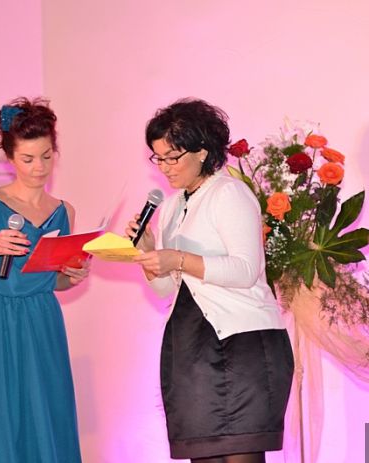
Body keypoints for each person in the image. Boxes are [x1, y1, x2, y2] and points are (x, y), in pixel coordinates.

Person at [125, 98, 294, 463]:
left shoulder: (229, 193)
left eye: (173, 157)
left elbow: (246, 270)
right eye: (158, 158)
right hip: (193, 352)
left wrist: (178, 258)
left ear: (202, 151)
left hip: (241, 345)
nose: (164, 167)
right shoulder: (171, 207)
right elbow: (167, 288)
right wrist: (148, 254)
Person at [0, 97, 90, 462]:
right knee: (1, 418)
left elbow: (52, 280)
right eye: (28, 159)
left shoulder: (64, 211)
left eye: (46, 156)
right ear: (10, 158)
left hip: (43, 321)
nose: (39, 167)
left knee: (47, 415)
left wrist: (72, 276)